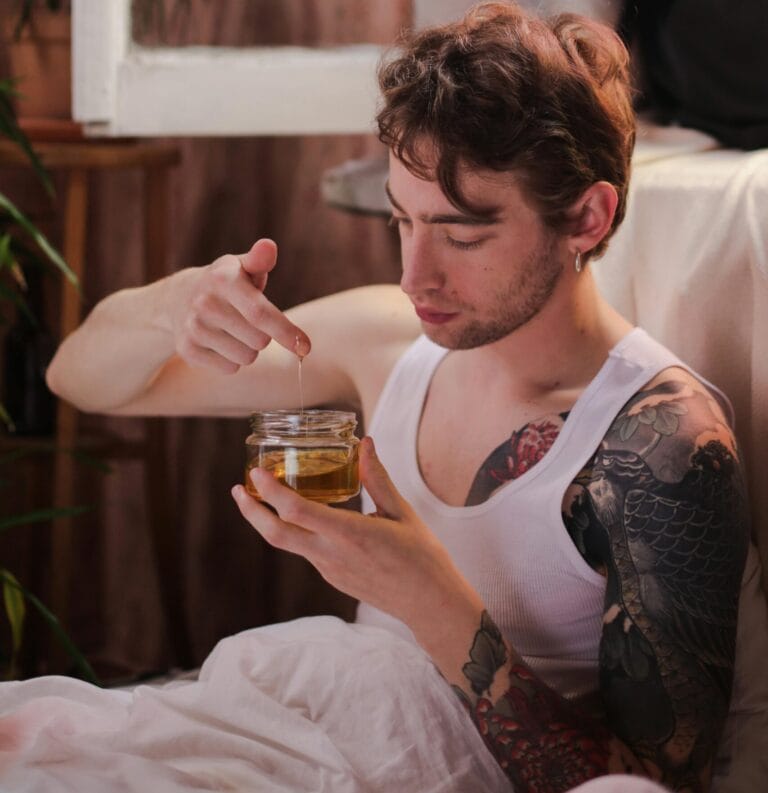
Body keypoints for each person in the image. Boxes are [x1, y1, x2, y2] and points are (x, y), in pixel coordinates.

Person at [44, 3, 761, 792]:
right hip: (315, 738)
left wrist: (428, 596)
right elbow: (79, 376)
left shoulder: (662, 445)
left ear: (587, 217)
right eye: (401, 222)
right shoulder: (388, 343)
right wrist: (176, 304)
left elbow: (651, 781)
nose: (414, 277)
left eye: (461, 235)